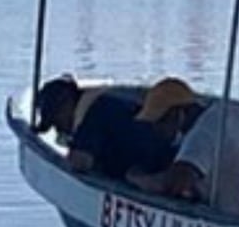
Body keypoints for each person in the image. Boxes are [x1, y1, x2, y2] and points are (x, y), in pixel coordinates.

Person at [129, 77, 239, 216]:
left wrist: (137, 179)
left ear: (177, 113)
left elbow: (174, 184)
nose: (156, 130)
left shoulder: (202, 135)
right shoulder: (227, 111)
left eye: (160, 122)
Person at [33, 76, 175, 180]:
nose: (60, 130)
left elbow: (81, 162)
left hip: (163, 166)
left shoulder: (94, 113)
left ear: (67, 105)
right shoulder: (108, 99)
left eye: (57, 123)